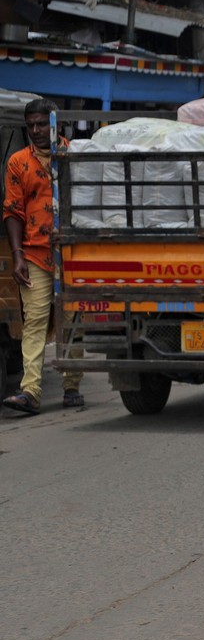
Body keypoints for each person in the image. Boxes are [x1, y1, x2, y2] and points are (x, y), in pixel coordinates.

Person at [2, 98, 83, 415]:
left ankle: (72, 385)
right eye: (30, 125)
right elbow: (12, 211)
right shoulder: (17, 162)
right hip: (34, 254)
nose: (35, 130)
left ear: (55, 124)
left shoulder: (73, 156)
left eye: (41, 124)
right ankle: (31, 390)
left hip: (72, 253)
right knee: (34, 321)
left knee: (71, 321)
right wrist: (17, 254)